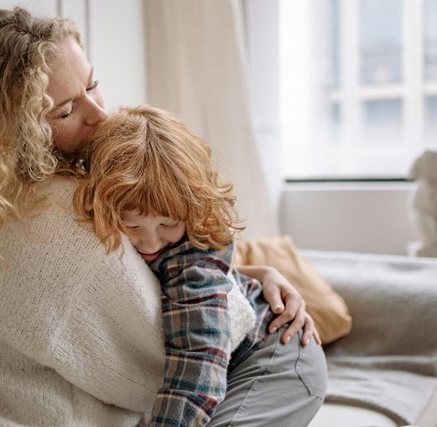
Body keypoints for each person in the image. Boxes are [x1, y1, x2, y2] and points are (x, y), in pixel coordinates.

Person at [0, 7, 321, 426]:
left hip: (274, 349)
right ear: (15, 132)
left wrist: (253, 274)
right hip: (254, 353)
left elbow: (184, 312)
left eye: (92, 84)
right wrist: (246, 282)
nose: (100, 114)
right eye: (66, 110)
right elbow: (162, 354)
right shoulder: (57, 213)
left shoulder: (37, 195)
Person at [73, 105, 327, 426]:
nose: (151, 243)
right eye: (133, 227)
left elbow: (197, 362)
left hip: (279, 358)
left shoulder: (195, 257)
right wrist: (262, 272)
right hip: (241, 362)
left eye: (168, 224)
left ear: (191, 210)